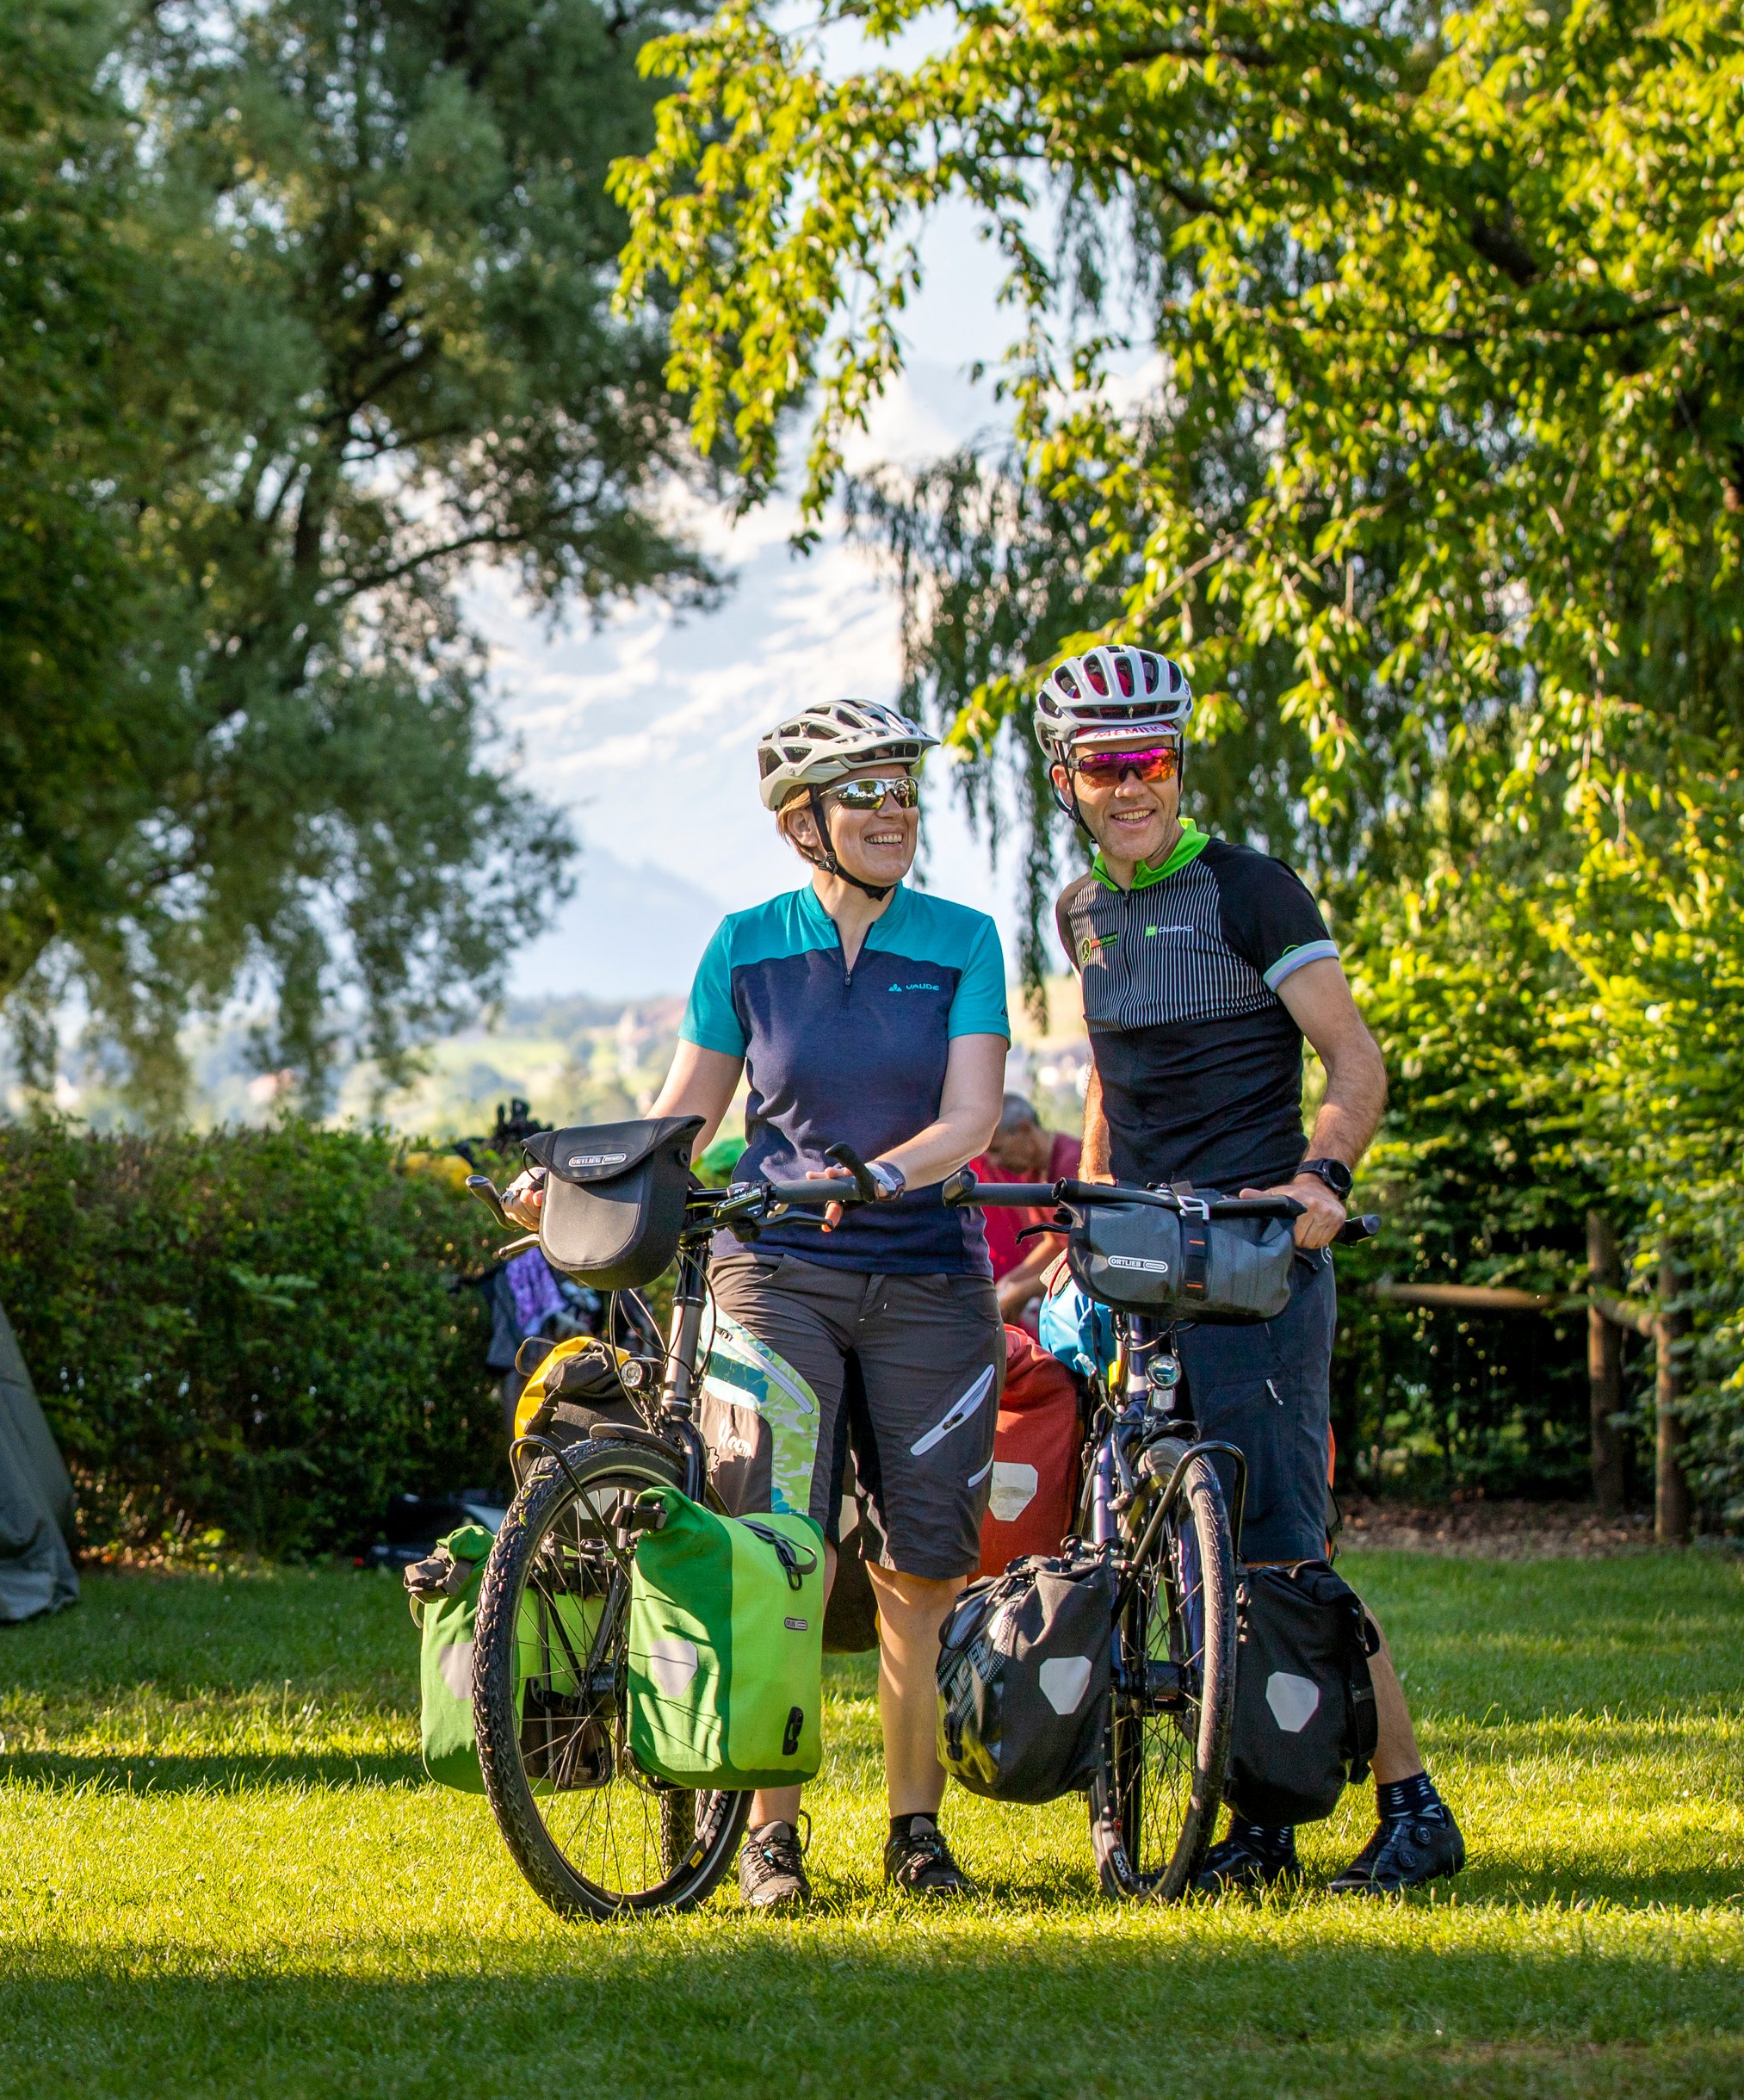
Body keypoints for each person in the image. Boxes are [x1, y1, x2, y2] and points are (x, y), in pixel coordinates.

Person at [517, 696, 1010, 1908]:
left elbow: (972, 1116)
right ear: (803, 823)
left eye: (903, 789)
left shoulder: (964, 939)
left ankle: (915, 1832)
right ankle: (767, 1835)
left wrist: (881, 1174)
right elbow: (681, 1120)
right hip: (777, 1267)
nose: (894, 810)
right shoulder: (745, 946)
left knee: (919, 1570)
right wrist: (575, 1183)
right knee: (776, 1546)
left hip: (930, 1276)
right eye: (865, 792)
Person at [1035, 641, 1463, 1895]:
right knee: (1186, 1553)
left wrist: (1322, 1178)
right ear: (1066, 779)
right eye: (1105, 765)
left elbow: (1356, 1060)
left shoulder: (1252, 890)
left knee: (1280, 1553)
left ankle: (1413, 1806)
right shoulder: (1079, 909)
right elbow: (1110, 1077)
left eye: (1151, 758)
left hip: (1259, 1262)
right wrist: (1082, 1220)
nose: (1132, 785)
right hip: (1144, 1265)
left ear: (1180, 764)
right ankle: (1261, 1823)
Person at [968, 1092, 1079, 1320]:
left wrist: (1022, 1291)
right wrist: (1008, 1283)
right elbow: (1054, 1243)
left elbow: (1085, 1252)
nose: (994, 1162)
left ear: (1025, 1129)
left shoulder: (1073, 1162)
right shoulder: (1034, 1173)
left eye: (997, 1150)